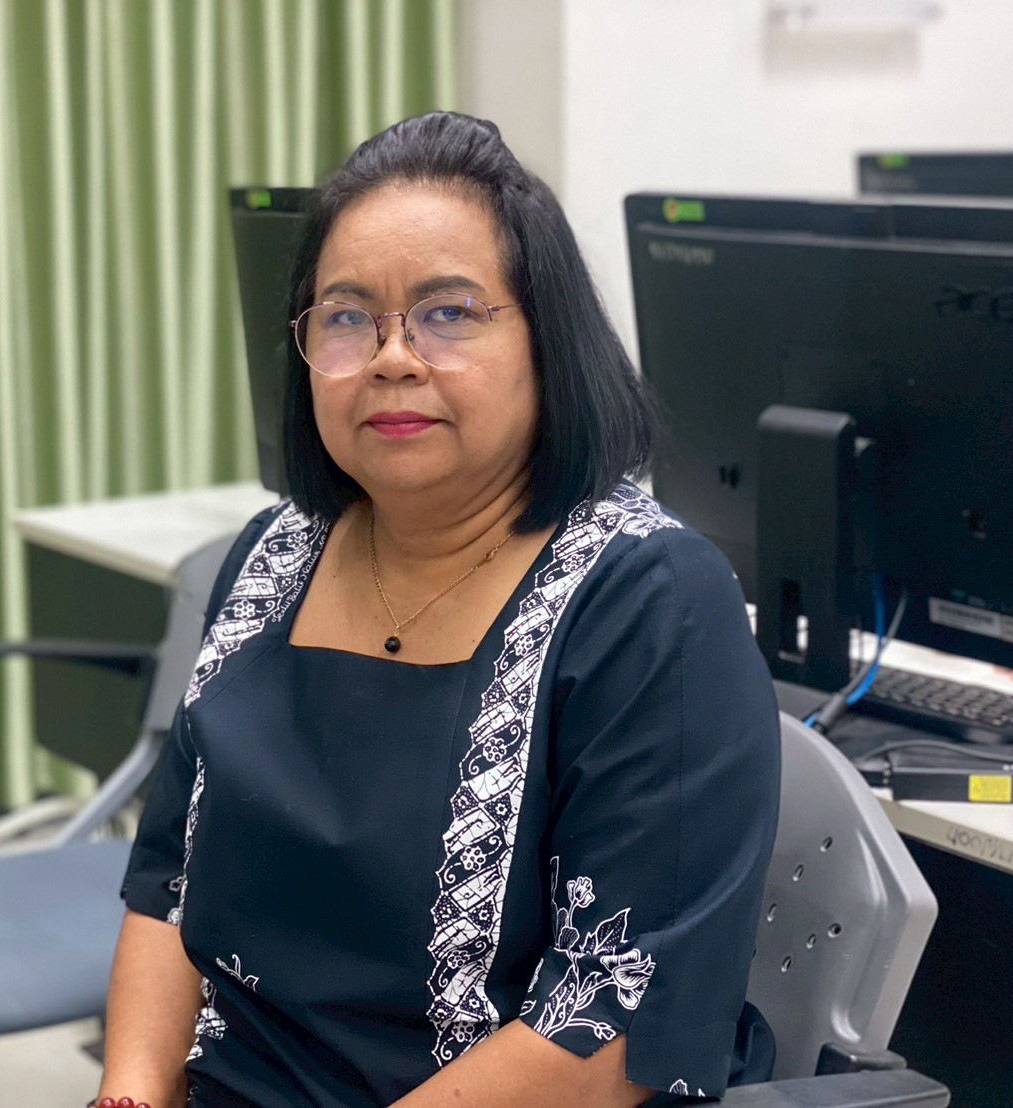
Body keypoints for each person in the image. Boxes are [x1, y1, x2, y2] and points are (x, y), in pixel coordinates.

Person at [96, 111, 780, 1107]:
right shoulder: (272, 556)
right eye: (345, 317)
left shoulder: (651, 601)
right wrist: (125, 1094)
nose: (391, 357)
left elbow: (609, 1024)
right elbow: (168, 884)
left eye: (448, 312)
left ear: (546, 340)